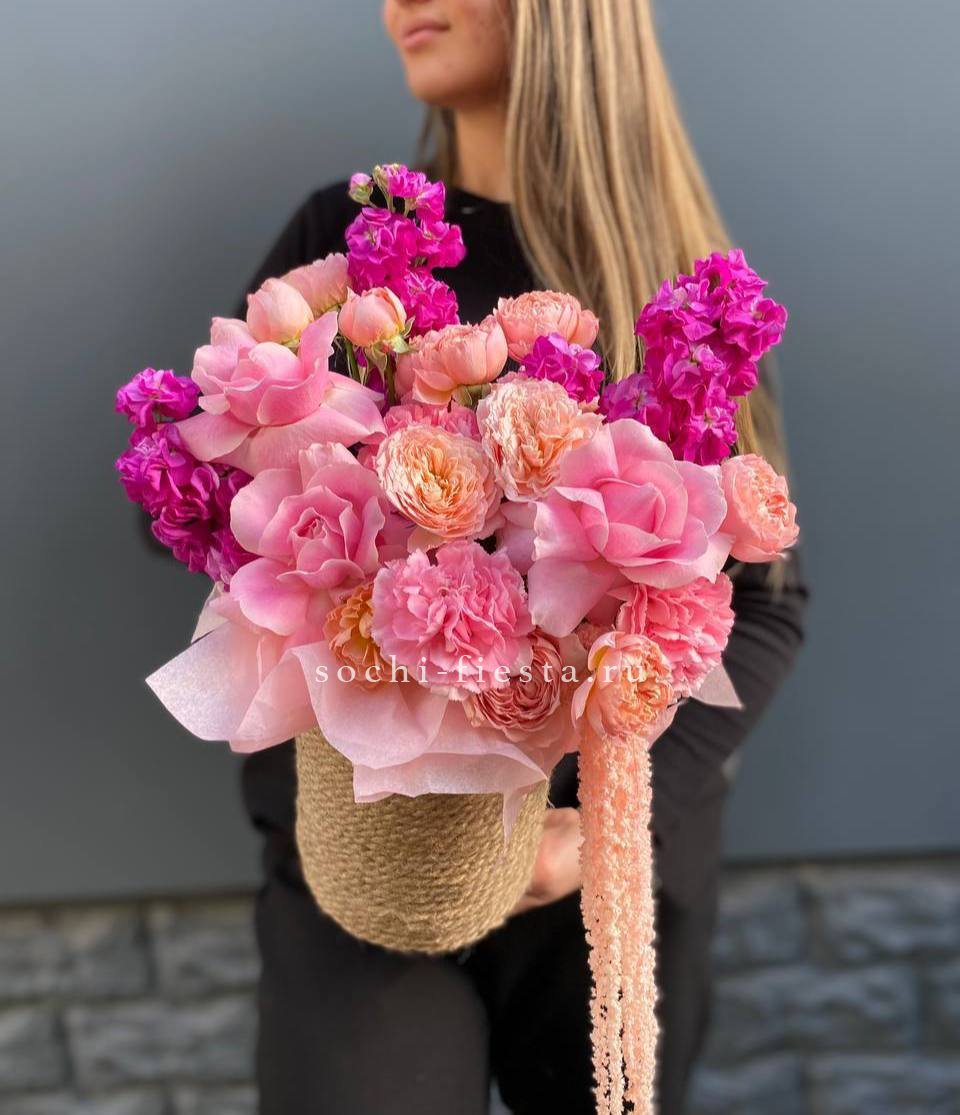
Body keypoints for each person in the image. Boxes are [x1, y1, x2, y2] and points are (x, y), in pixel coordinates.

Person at [240, 2, 809, 1112]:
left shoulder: (680, 293)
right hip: (378, 855)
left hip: (604, 871)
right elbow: (210, 517)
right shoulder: (349, 245)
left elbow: (770, 604)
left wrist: (595, 828)